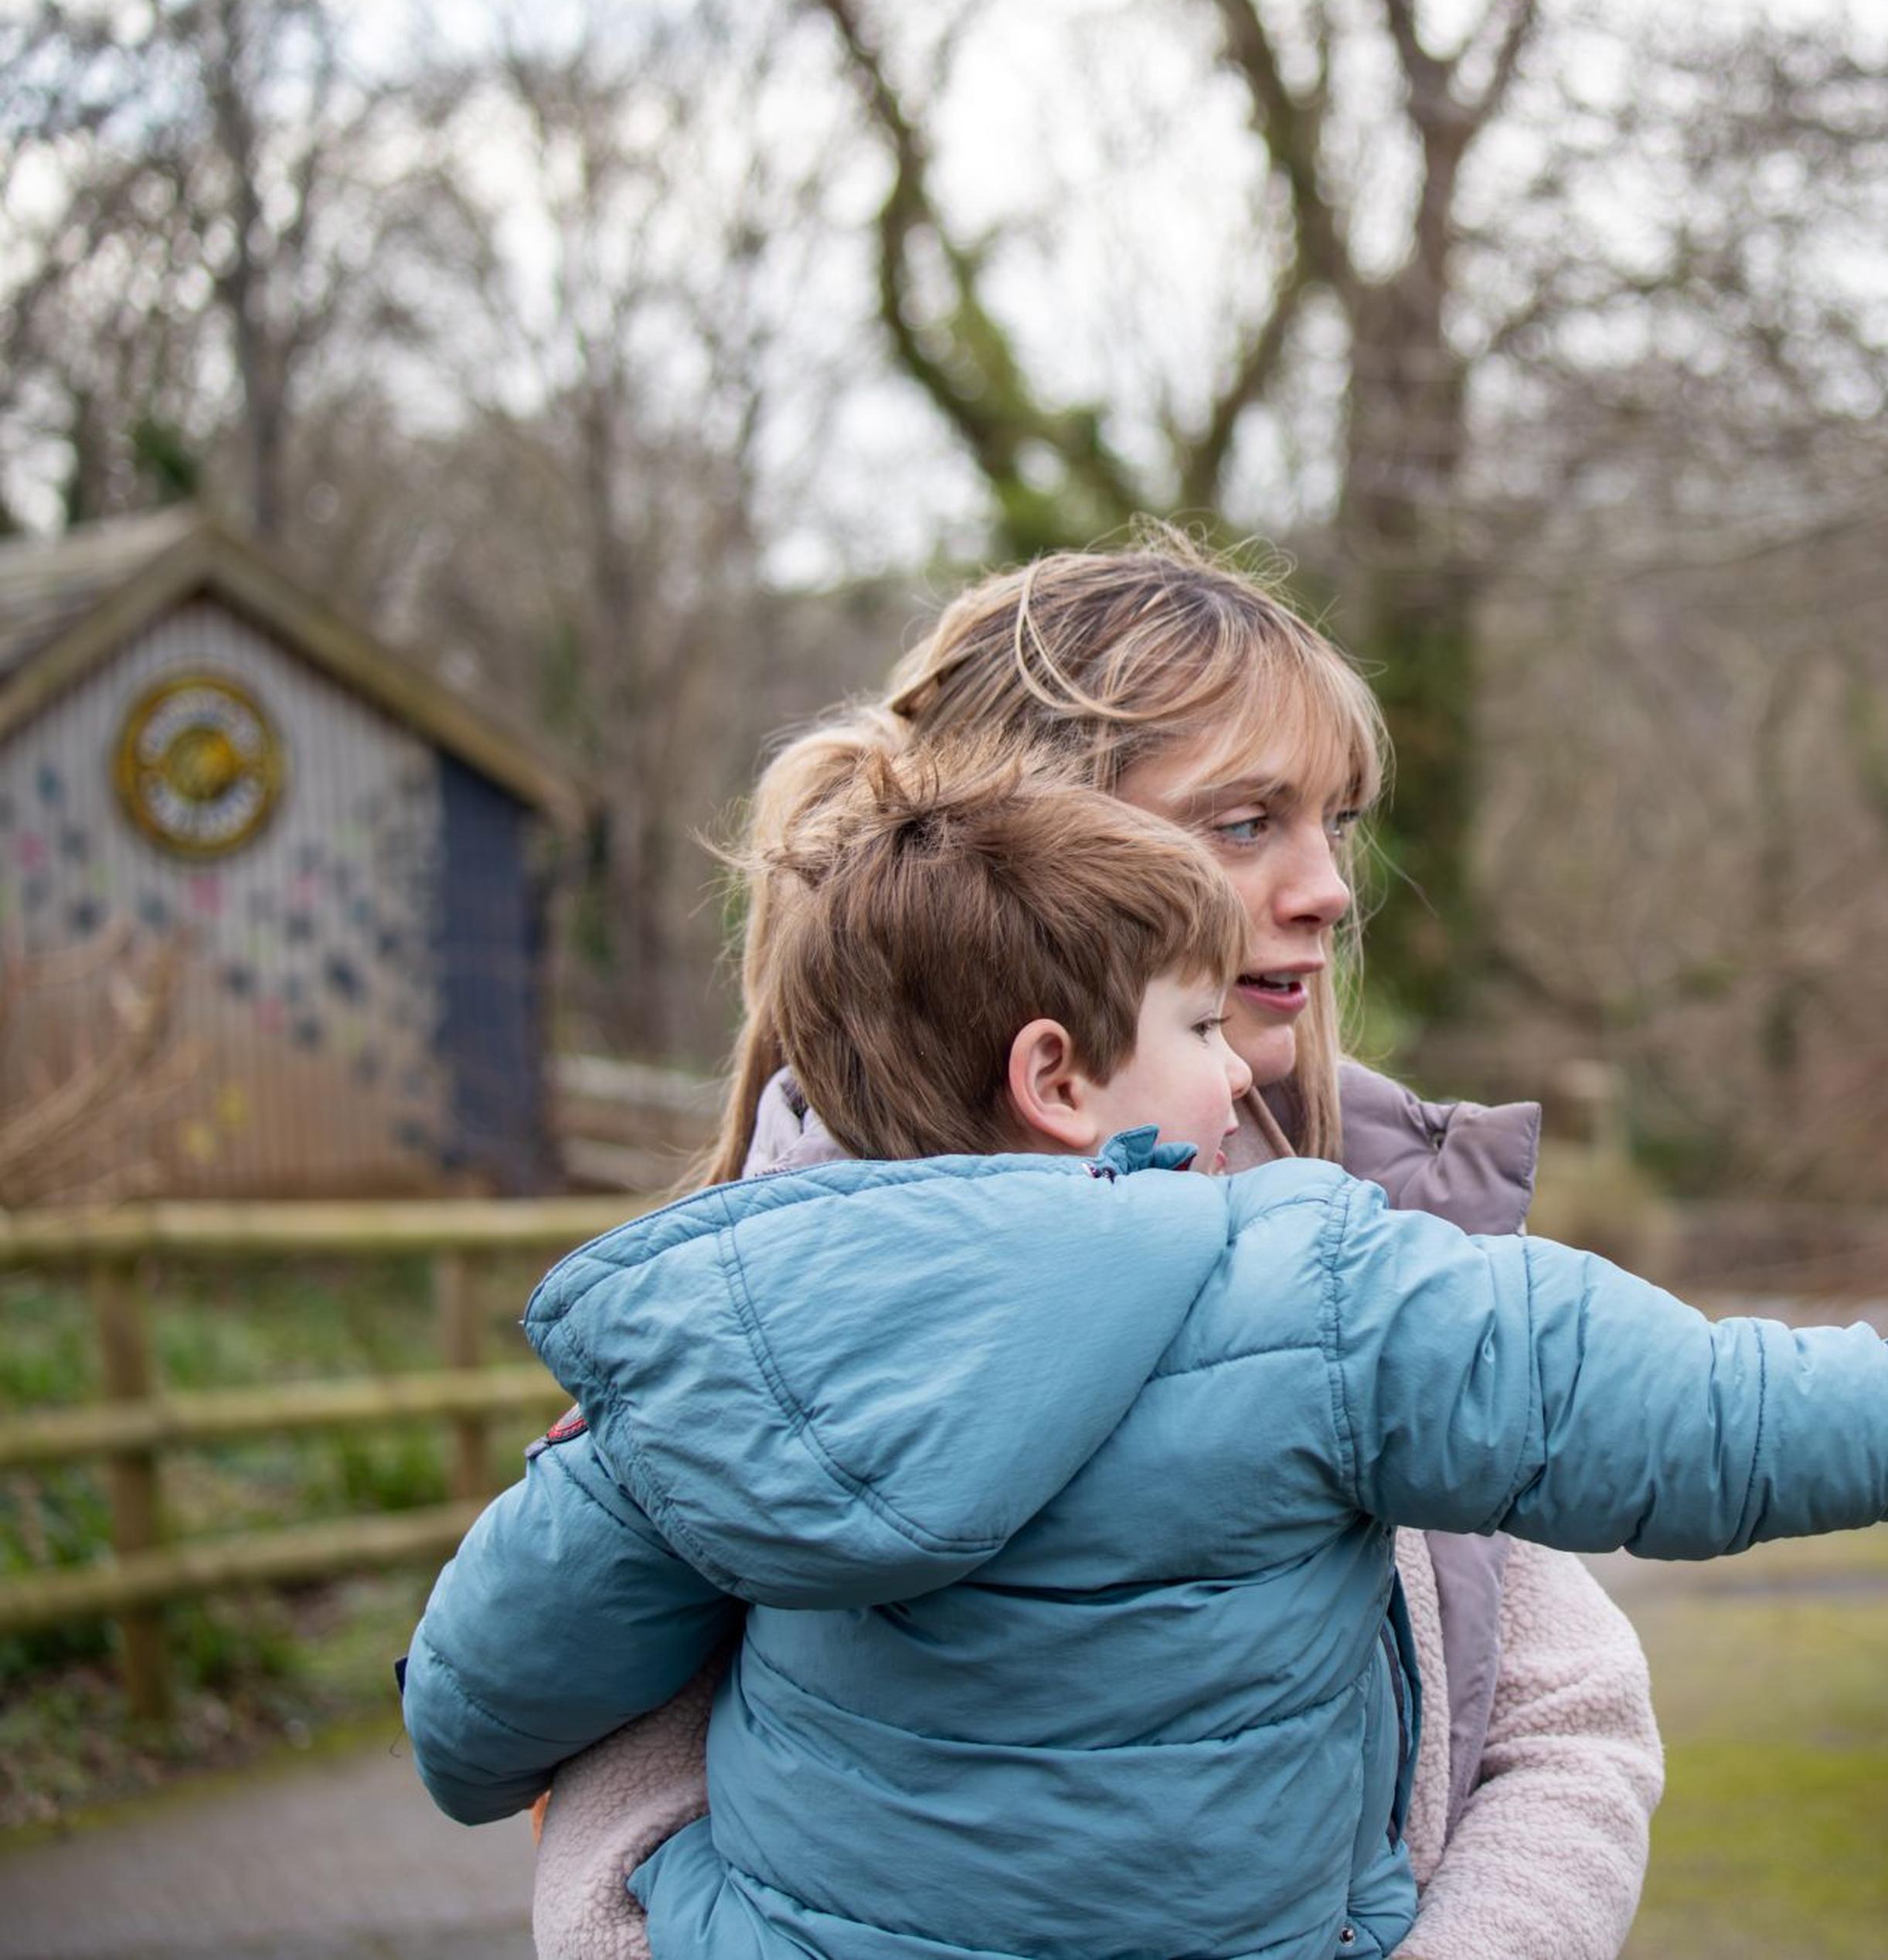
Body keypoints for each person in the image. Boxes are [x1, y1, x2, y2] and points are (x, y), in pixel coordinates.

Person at [403, 750, 1888, 1960]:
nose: (1240, 1077)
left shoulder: (725, 1348)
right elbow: (1643, 1398)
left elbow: (479, 1706)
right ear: (1059, 1073)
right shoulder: (1303, 1270)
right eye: (1203, 1026)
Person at [526, 533, 1645, 1960]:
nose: (1329, 889)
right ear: (1034, 853)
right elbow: (606, 1779)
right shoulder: (762, 1300)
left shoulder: (1366, 1241)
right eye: (1246, 824)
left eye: (1334, 823)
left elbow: (1567, 1717)